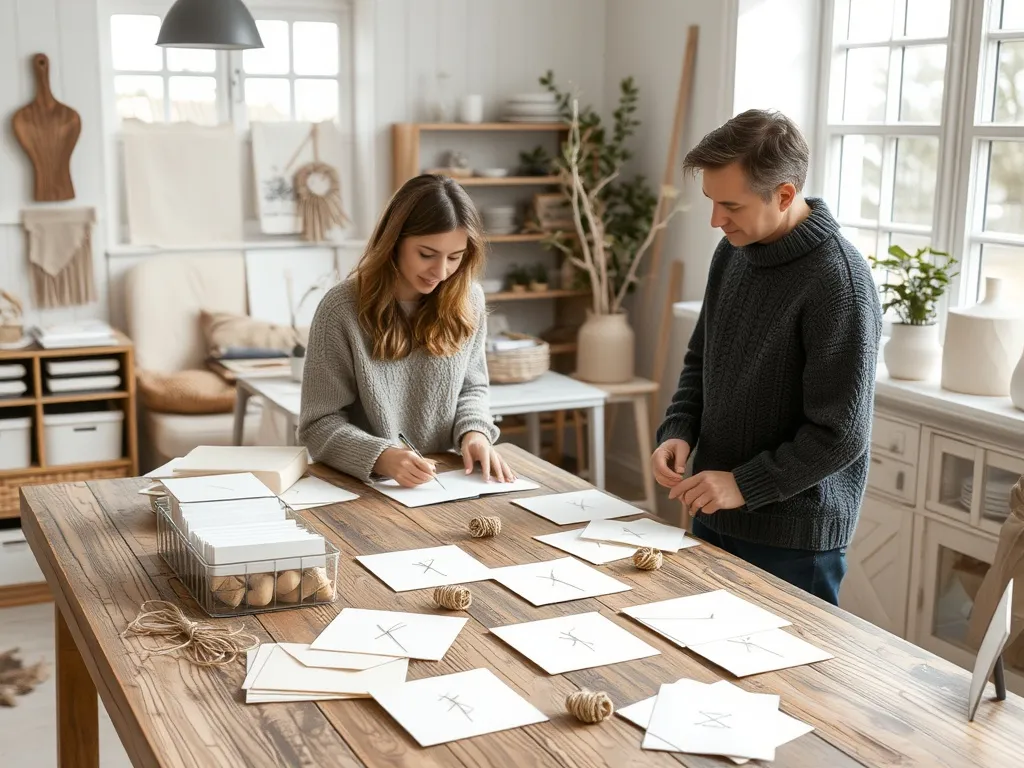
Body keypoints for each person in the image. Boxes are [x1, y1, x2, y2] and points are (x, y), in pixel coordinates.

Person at [651, 109, 882, 605]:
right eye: (711, 202)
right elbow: (701, 361)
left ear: (783, 194)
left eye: (730, 205)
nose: (716, 220)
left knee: (794, 682)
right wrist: (678, 431)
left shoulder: (838, 282)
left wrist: (744, 484)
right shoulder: (733, 251)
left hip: (793, 540)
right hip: (715, 509)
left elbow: (841, 434)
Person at [298, 173, 514, 487]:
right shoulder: (341, 309)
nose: (440, 272)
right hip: (366, 486)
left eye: (455, 257)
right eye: (426, 254)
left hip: (447, 482)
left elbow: (472, 388)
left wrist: (475, 433)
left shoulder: (469, 298)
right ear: (394, 242)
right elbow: (317, 425)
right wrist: (382, 455)